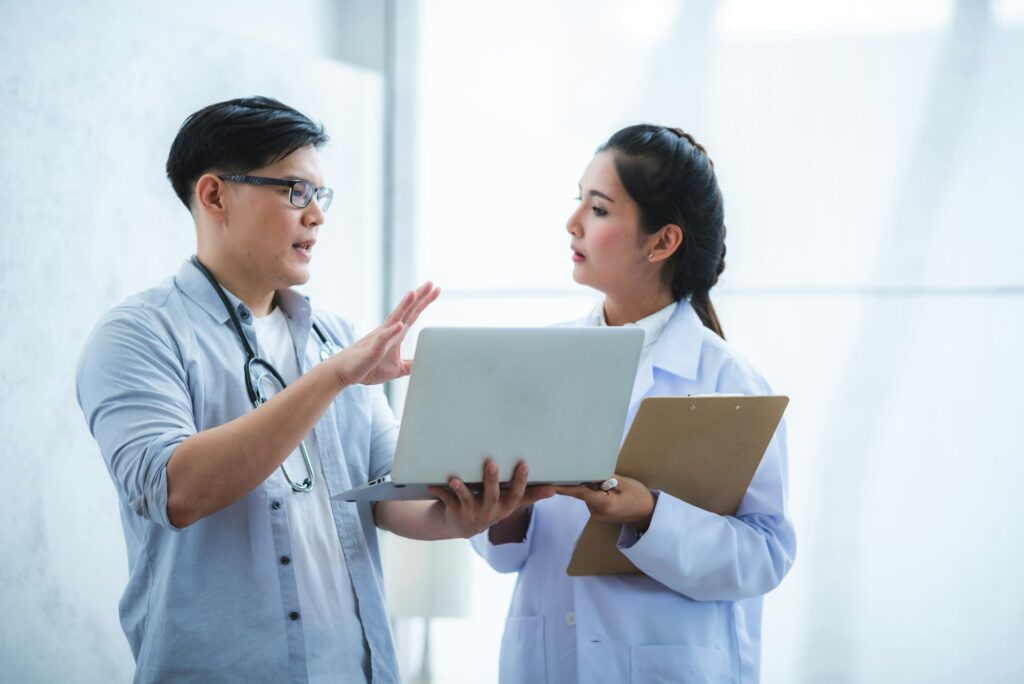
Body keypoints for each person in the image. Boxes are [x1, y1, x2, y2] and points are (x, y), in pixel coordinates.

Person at [76, 96, 551, 683]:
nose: (316, 216)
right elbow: (177, 490)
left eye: (320, 196)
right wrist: (330, 378)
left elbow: (388, 490)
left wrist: (461, 515)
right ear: (214, 195)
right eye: (295, 192)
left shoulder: (337, 338)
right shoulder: (138, 335)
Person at [472, 124, 796, 684]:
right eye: (579, 202)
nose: (572, 223)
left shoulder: (728, 381)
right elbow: (505, 556)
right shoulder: (536, 363)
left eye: (598, 210)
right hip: (549, 662)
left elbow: (764, 555)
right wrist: (506, 510)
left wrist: (649, 515)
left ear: (662, 242)